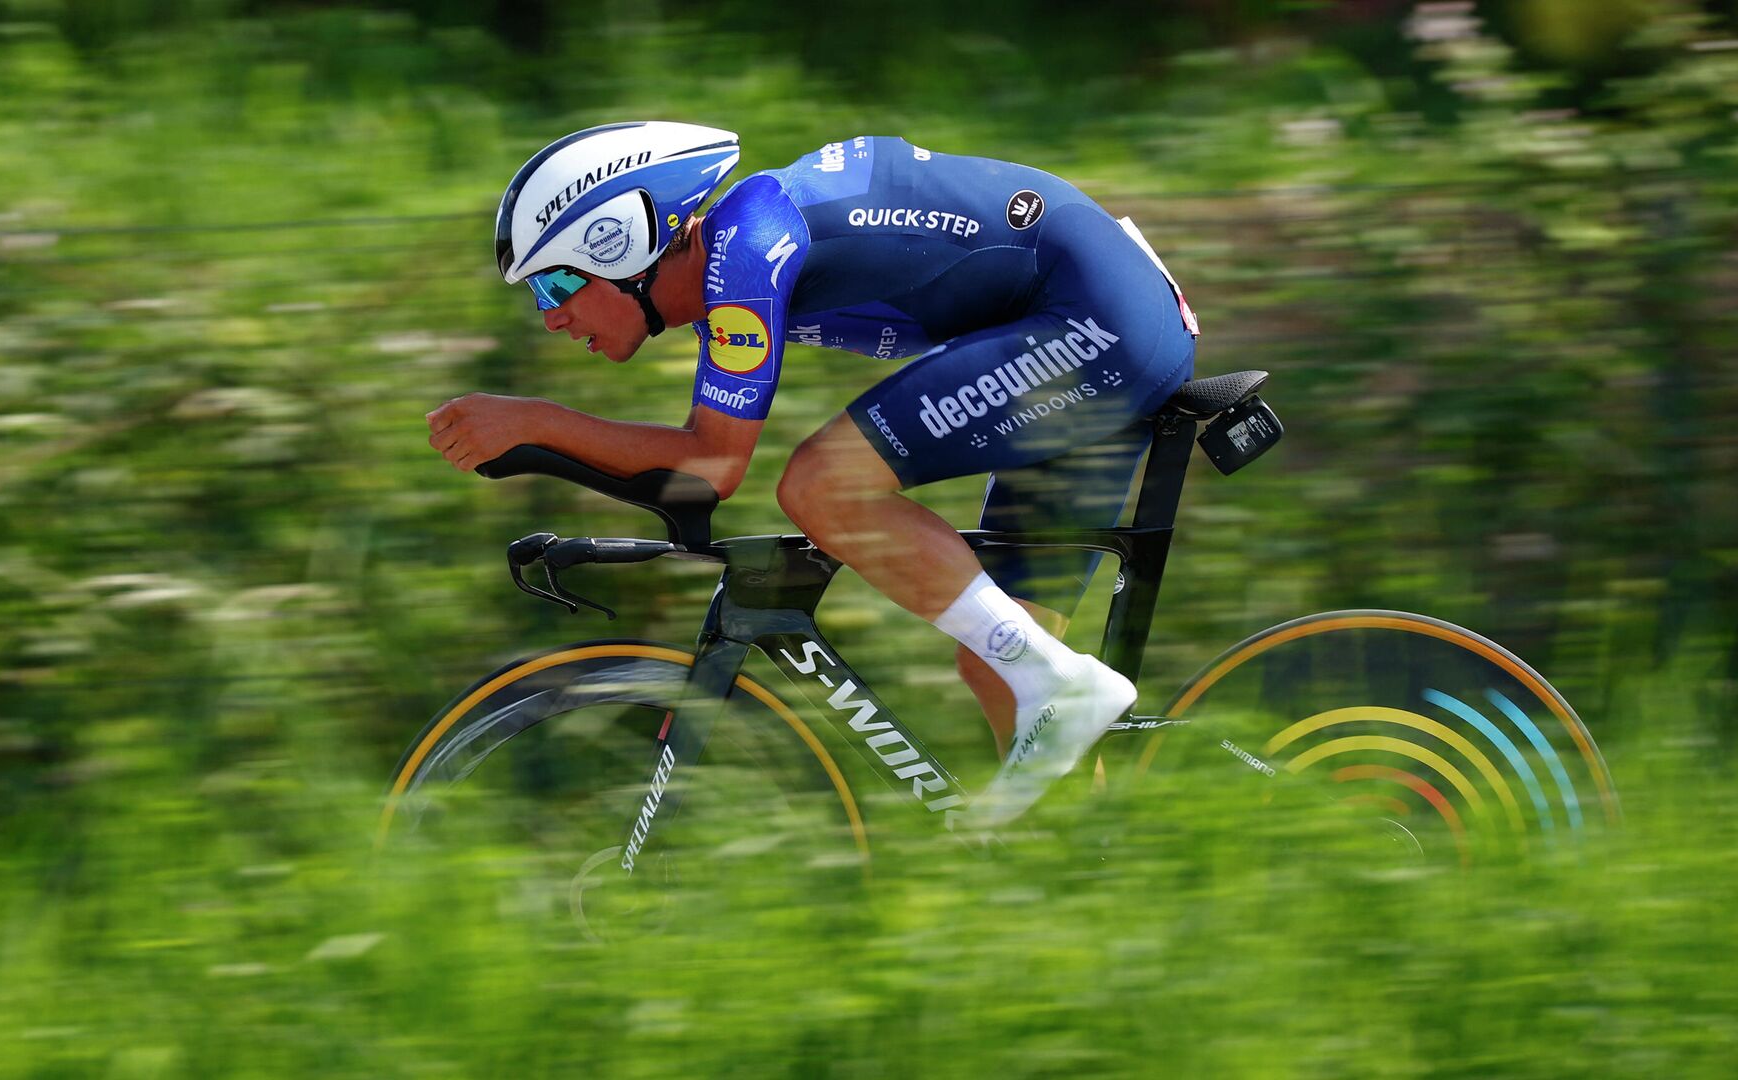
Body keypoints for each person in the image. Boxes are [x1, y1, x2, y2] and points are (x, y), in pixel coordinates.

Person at [429, 121, 1199, 829]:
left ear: (619, 243)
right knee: (1001, 665)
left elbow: (713, 464)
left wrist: (537, 422)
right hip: (1099, 325)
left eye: (555, 286)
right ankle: (1094, 864)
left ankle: (1060, 688)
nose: (550, 317)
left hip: (1095, 324)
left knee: (821, 485)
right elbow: (703, 460)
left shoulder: (745, 244)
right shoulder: (733, 270)